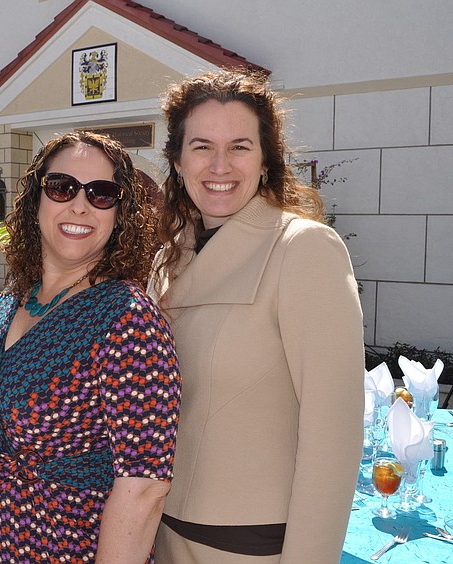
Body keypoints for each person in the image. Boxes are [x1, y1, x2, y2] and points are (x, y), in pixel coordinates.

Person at [149, 69, 364, 563]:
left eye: (240, 147)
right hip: (159, 533)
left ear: (265, 160)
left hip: (248, 547)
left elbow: (333, 433)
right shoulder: (168, 258)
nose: (219, 165)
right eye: (202, 146)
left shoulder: (304, 249)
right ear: (178, 161)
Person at [0, 131, 181, 562]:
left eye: (101, 194)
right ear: (36, 199)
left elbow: (144, 488)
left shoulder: (128, 320)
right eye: (62, 187)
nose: (80, 205)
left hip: (67, 549)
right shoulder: (11, 299)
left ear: (120, 214)